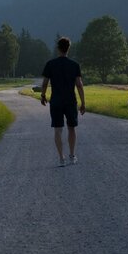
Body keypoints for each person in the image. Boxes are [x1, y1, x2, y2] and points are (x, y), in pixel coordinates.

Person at [39, 36, 86, 166]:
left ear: (58, 48)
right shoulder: (75, 65)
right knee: (71, 128)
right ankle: (72, 155)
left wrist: (43, 96)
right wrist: (83, 103)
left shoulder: (50, 64)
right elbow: (79, 84)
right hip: (70, 101)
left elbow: (45, 83)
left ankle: (61, 158)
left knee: (58, 130)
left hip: (56, 101)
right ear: (68, 48)